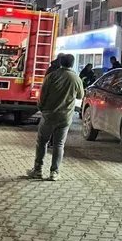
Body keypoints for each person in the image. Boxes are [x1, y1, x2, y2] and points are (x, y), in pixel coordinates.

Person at [27, 53, 83, 182]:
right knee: (59, 144)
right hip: (65, 117)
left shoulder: (52, 76)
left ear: (61, 62)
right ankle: (54, 172)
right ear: (72, 64)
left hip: (49, 115)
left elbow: (42, 95)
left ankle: (38, 170)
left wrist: (41, 108)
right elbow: (80, 95)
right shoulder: (76, 78)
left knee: (42, 142)